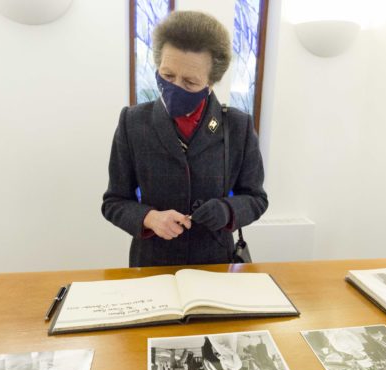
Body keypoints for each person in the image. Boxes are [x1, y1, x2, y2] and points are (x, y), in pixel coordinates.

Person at [102, 10, 268, 267]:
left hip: (214, 265)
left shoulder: (238, 126)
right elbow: (114, 201)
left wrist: (227, 210)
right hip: (151, 265)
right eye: (167, 76)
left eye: (190, 82)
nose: (175, 87)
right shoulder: (133, 122)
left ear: (211, 83)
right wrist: (149, 218)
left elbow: (256, 199)